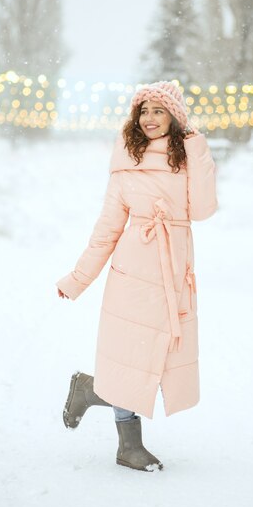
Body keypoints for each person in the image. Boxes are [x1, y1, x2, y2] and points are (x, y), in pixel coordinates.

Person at [56, 80, 217, 472]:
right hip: (133, 274)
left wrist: (197, 147)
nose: (148, 118)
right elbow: (108, 228)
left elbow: (203, 210)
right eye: (143, 111)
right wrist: (78, 278)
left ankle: (89, 390)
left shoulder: (186, 157)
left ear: (175, 117)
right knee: (133, 362)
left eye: (158, 110)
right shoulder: (127, 160)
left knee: (158, 362)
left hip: (174, 274)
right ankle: (129, 446)